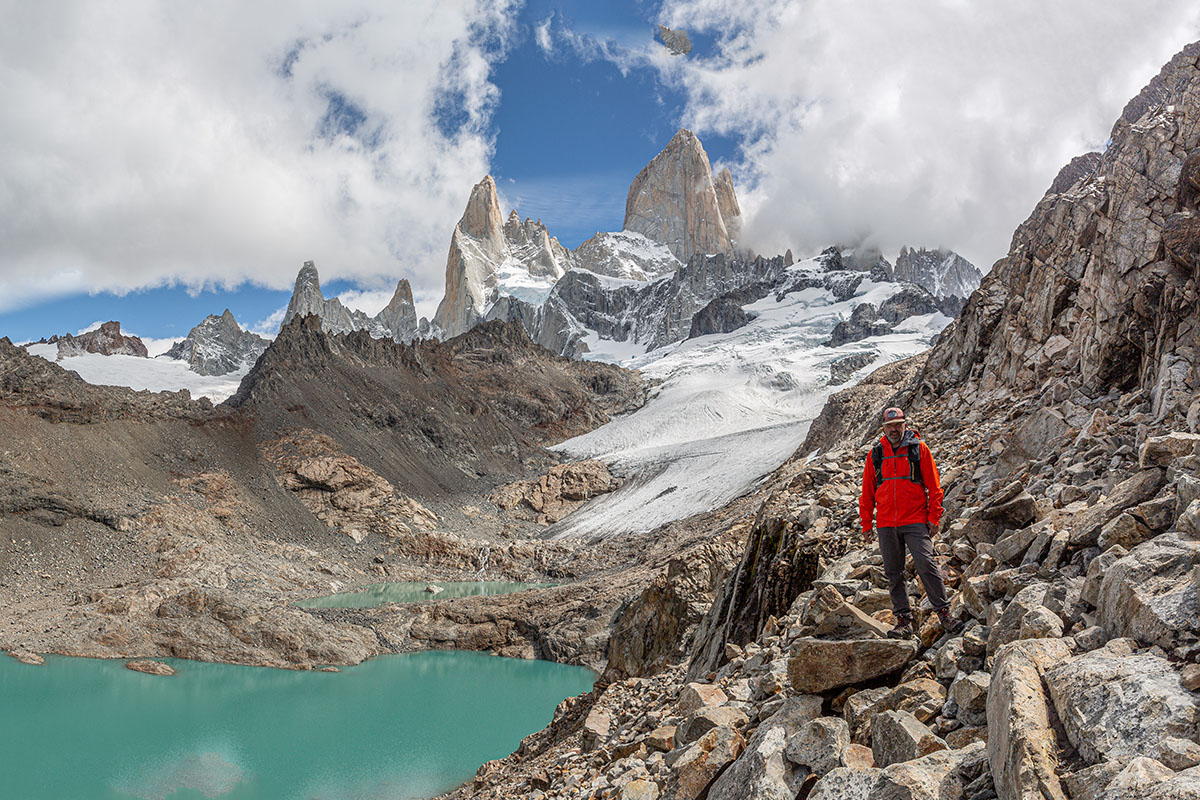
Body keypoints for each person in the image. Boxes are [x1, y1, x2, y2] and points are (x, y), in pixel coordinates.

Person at [859, 407, 962, 638]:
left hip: (915, 519)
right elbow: (867, 493)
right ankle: (903, 620)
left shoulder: (919, 449)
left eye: (898, 425)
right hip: (886, 523)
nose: (894, 429)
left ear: (905, 424)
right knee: (893, 572)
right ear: (883, 428)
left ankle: (944, 613)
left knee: (926, 564)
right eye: (890, 426)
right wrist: (866, 524)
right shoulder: (876, 454)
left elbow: (935, 488)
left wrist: (934, 517)